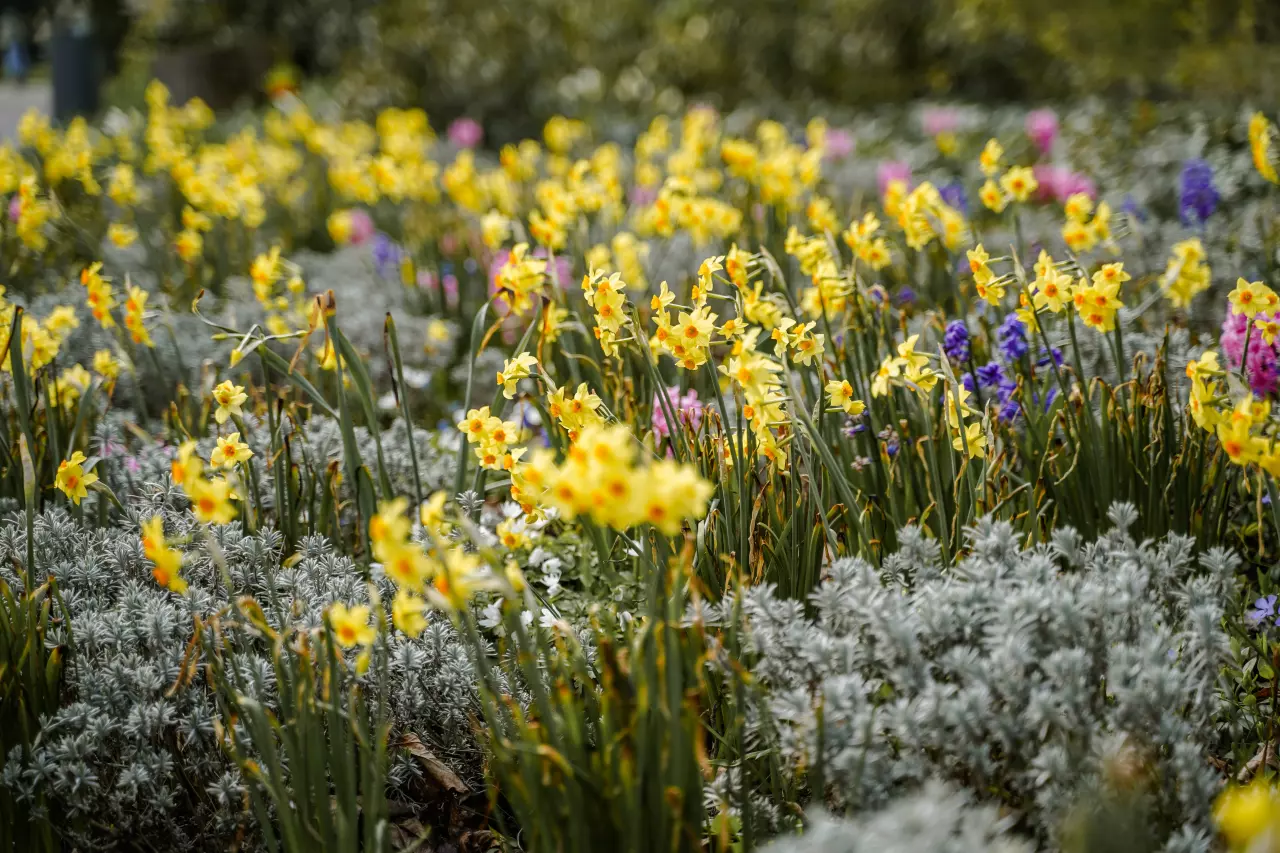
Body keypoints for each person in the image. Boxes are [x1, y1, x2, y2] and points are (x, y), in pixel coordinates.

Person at [1, 12, 31, 84]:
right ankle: (16, 77)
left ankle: (18, 77)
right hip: (13, 47)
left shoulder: (16, 45)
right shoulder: (14, 45)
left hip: (14, 46)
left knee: (16, 62)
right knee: (14, 62)